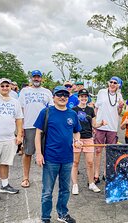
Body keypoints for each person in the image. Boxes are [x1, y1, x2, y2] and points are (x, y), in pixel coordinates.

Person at [34, 86, 82, 223]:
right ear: (54, 97)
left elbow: (76, 131)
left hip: (67, 158)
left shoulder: (72, 114)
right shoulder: (46, 112)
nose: (63, 97)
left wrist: (77, 141)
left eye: (65, 95)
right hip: (50, 158)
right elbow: (38, 134)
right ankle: (45, 217)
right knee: (47, 191)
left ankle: (62, 213)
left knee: (65, 189)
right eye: (59, 94)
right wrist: (38, 154)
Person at [19, 70, 54, 188]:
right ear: (31, 78)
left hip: (44, 127)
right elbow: (21, 110)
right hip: (29, 125)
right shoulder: (24, 91)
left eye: (38, 77)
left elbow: (52, 110)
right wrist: (20, 128)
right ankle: (25, 177)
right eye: (34, 77)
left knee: (46, 153)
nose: (36, 79)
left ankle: (47, 179)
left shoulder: (47, 92)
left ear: (41, 79)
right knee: (28, 153)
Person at [71, 89, 105, 194]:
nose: (84, 98)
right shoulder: (73, 110)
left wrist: (101, 124)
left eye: (85, 96)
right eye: (82, 96)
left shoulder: (91, 110)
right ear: (78, 97)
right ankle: (75, 185)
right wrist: (74, 139)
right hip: (77, 139)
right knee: (75, 162)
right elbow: (71, 126)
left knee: (90, 162)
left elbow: (94, 125)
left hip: (88, 138)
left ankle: (91, 183)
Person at [94, 76, 124, 184]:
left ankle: (106, 174)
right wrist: (95, 124)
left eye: (115, 83)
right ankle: (96, 174)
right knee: (98, 151)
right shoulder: (101, 92)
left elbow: (119, 112)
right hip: (101, 126)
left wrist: (121, 106)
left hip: (112, 127)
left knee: (110, 151)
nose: (112, 84)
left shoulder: (119, 95)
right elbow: (96, 108)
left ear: (118, 85)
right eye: (111, 82)